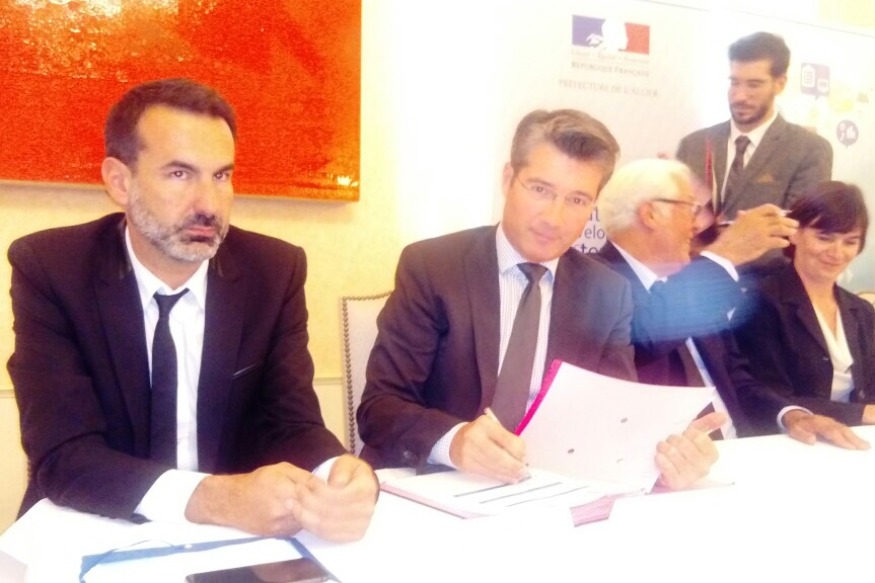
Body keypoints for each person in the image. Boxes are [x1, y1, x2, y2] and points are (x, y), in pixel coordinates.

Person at [7, 79, 377, 541]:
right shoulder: (52, 269)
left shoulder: (274, 271)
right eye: (180, 174)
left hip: (229, 541)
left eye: (221, 176)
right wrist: (211, 498)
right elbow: (63, 456)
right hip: (91, 527)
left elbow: (290, 423)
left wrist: (338, 473)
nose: (208, 204)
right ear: (120, 181)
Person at [357, 109, 724, 491]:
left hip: (545, 489)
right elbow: (380, 407)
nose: (554, 217)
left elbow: (614, 420)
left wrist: (663, 461)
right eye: (540, 190)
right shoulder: (433, 267)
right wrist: (454, 442)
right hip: (437, 484)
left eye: (577, 199)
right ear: (508, 179)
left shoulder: (607, 292)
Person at [596, 159, 868, 449]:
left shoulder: (692, 285)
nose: (698, 224)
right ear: (650, 214)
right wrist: (725, 252)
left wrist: (792, 415)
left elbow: (737, 379)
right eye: (691, 209)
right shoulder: (595, 280)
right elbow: (641, 338)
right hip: (669, 461)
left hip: (744, 449)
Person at [734, 181, 875, 432]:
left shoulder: (862, 310)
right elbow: (767, 395)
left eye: (850, 242)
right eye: (825, 238)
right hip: (790, 438)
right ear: (795, 233)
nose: (837, 252)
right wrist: (859, 414)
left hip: (858, 436)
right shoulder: (760, 302)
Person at [676, 32, 832, 222]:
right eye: (734, 83)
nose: (739, 96)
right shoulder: (693, 146)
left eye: (753, 85)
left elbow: (799, 228)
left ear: (780, 84)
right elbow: (678, 222)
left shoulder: (808, 150)